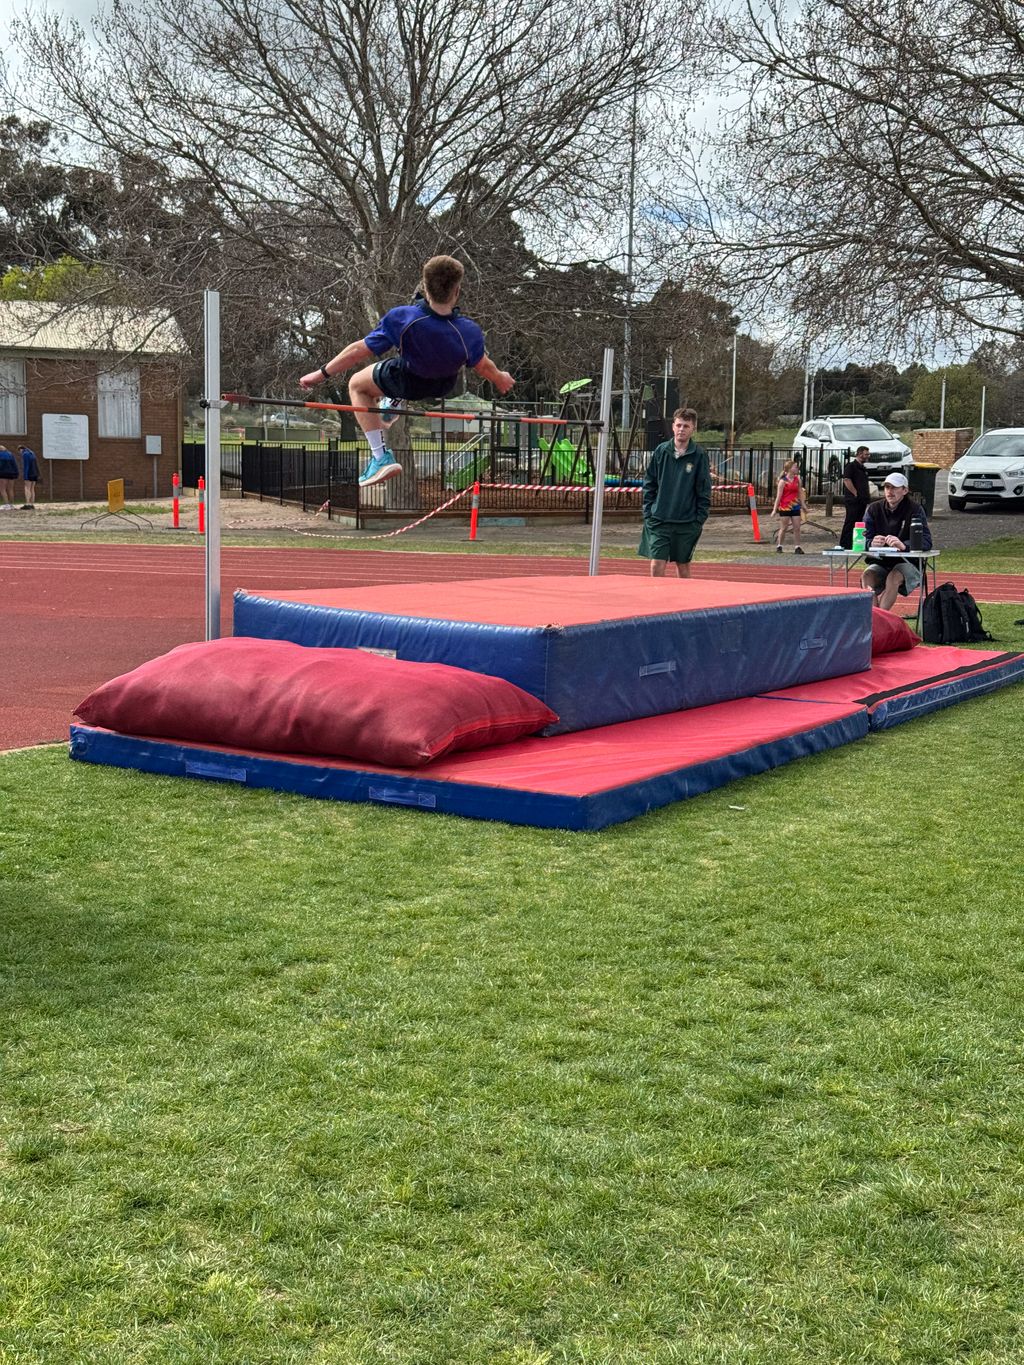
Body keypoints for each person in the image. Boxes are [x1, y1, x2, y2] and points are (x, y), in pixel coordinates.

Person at [299, 255, 515, 487]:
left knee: (357, 385)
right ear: (457, 291)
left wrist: (321, 374)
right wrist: (500, 378)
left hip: (407, 381)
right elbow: (484, 366)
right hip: (442, 385)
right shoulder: (469, 332)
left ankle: (380, 457)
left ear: (425, 288)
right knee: (409, 362)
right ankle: (392, 402)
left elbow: (358, 351)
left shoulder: (404, 318)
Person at [638, 407, 712, 578]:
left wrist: (699, 519)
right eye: (678, 425)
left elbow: (704, 490)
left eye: (686, 426)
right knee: (657, 562)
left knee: (683, 565)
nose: (681, 429)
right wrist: (648, 512)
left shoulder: (699, 455)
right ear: (673, 427)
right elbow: (649, 483)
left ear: (693, 428)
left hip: (686, 522)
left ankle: (684, 595)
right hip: (660, 519)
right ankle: (657, 593)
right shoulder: (661, 451)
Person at [861, 471, 933, 609]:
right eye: (887, 487)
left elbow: (926, 541)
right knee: (867, 576)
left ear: (905, 490)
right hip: (881, 562)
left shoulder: (916, 510)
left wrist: (904, 546)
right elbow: (860, 538)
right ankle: (875, 618)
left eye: (894, 487)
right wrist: (870, 543)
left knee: (893, 577)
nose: (890, 491)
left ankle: (880, 618)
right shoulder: (873, 509)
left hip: (908, 563)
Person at [770, 457, 806, 553]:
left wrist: (803, 504)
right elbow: (778, 496)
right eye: (795, 467)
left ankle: (797, 547)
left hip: (795, 506)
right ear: (790, 469)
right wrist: (774, 509)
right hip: (785, 507)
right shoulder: (783, 481)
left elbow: (800, 492)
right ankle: (779, 545)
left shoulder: (797, 480)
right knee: (784, 527)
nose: (797, 468)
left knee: (797, 527)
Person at [839, 444, 871, 548]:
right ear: (860, 454)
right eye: (866, 454)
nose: (868, 456)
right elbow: (847, 480)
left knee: (859, 522)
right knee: (850, 521)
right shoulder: (851, 466)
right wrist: (855, 493)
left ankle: (855, 542)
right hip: (853, 500)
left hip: (862, 500)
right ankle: (845, 543)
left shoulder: (863, 468)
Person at [17, 445, 39, 510]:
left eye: (19, 452)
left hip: (29, 473)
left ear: (20, 449)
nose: (20, 453)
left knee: (27, 488)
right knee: (32, 489)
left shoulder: (25, 454)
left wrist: (25, 476)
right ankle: (32, 504)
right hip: (35, 473)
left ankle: (27, 504)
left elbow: (26, 465)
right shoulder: (32, 453)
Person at [0, 444, 18, 509]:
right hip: (12, 474)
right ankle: (11, 504)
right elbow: (15, 464)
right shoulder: (10, 454)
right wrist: (16, 473)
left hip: (3, 473)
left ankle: (6, 504)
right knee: (10, 489)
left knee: (2, 489)